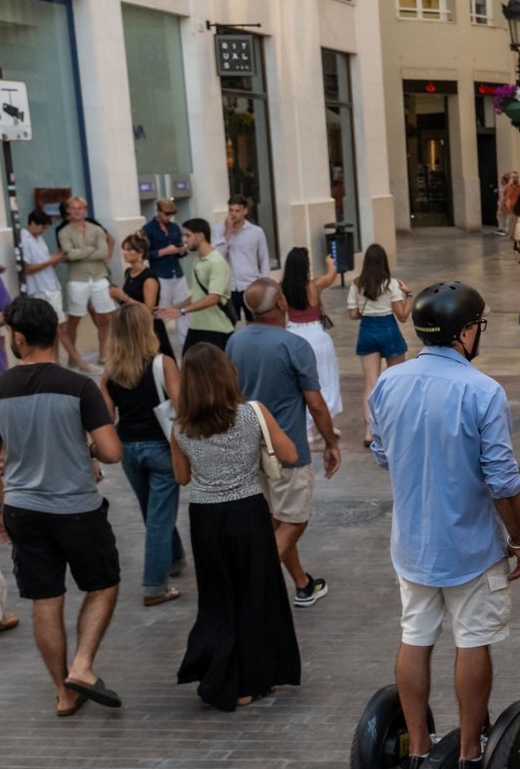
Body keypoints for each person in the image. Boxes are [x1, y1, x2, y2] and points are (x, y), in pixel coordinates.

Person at [370, 281, 520, 769]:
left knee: (414, 636)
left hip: (412, 543)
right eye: (478, 326)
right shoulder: (483, 391)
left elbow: (381, 454)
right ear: (464, 332)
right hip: (471, 545)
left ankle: (418, 749)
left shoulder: (388, 382)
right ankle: (467, 752)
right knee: (473, 641)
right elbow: (503, 480)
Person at [0, 297, 125, 716]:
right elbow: (112, 451)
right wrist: (87, 449)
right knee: (102, 585)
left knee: (45, 599)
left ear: (19, 338)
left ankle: (64, 695)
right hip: (77, 507)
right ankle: (82, 666)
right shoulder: (79, 387)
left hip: (22, 508)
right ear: (54, 334)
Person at [170, 344, 301, 709]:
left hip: (205, 517)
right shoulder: (252, 413)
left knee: (218, 598)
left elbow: (182, 477)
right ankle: (256, 677)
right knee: (255, 593)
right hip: (247, 511)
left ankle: (226, 678)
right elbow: (289, 454)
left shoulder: (180, 427)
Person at [227, 278, 343, 607]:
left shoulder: (234, 342)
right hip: (287, 448)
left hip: (248, 446)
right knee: (294, 520)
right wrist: (330, 443)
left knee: (274, 521)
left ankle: (303, 584)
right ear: (281, 304)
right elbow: (316, 403)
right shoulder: (294, 345)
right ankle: (248, 588)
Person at [100, 303, 185, 607]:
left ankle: (174, 557)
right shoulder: (163, 363)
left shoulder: (110, 371)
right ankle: (154, 587)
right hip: (161, 447)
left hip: (128, 448)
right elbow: (181, 407)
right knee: (159, 517)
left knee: (153, 512)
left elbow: (106, 416)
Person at [347, 244, 410, 448]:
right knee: (395, 382)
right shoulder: (391, 284)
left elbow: (353, 314)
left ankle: (369, 432)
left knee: (370, 384)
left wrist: (369, 309)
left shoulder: (357, 284)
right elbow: (402, 316)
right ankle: (396, 427)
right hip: (389, 330)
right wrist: (408, 295)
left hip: (367, 331)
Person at [278, 247, 343, 443]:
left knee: (298, 382)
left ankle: (306, 428)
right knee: (325, 379)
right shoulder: (314, 285)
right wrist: (330, 262)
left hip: (293, 334)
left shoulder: (281, 288)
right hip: (317, 335)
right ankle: (325, 422)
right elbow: (332, 275)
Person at [57, 196, 115, 370]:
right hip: (77, 278)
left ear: (85, 210)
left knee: (105, 316)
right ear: (68, 210)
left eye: (80, 208)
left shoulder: (96, 229)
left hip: (98, 276)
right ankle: (73, 356)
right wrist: (91, 249)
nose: (77, 211)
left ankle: (103, 353)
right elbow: (69, 255)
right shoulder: (64, 232)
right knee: (75, 318)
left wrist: (80, 253)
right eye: (73, 208)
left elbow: (103, 252)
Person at [161, 218, 235, 351]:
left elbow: (213, 297)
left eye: (188, 235)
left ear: (200, 236)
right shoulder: (197, 260)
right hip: (196, 328)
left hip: (217, 330)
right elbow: (197, 294)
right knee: (187, 362)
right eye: (183, 235)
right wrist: (175, 308)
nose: (184, 239)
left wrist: (182, 311)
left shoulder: (216, 262)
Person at [17, 212, 73, 364]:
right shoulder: (24, 239)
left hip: (51, 286)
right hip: (39, 290)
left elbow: (45, 263)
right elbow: (27, 268)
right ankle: (73, 360)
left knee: (59, 326)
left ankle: (56, 360)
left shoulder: (39, 239)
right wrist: (51, 261)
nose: (43, 231)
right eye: (42, 227)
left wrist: (57, 259)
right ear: (32, 223)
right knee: (53, 327)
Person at [110, 233, 175, 359]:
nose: (125, 253)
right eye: (124, 249)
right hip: (133, 326)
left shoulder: (149, 277)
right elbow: (128, 302)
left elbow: (148, 309)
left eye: (129, 249)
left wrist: (124, 297)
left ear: (140, 252)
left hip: (148, 328)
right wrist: (117, 297)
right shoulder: (128, 272)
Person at [212, 195, 270, 323]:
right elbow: (218, 256)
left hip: (250, 285)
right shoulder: (218, 231)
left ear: (245, 211)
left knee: (254, 322)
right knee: (230, 324)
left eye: (237, 211)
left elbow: (264, 259)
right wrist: (227, 231)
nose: (233, 214)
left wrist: (264, 284)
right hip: (229, 287)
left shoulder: (256, 232)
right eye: (231, 210)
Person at [142, 198, 190, 345]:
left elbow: (182, 248)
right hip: (160, 275)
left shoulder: (175, 227)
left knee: (183, 310)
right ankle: (160, 345)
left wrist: (181, 250)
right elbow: (144, 253)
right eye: (166, 214)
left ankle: (186, 344)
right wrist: (164, 251)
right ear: (158, 211)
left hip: (177, 273)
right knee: (160, 312)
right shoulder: (148, 229)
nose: (169, 217)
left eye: (171, 214)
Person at [498, 172, 520, 237]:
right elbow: (502, 198)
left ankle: (515, 237)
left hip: (518, 210)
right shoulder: (507, 187)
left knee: (518, 225)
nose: (515, 179)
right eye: (513, 177)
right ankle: (511, 237)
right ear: (510, 178)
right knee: (509, 224)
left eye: (516, 177)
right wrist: (499, 209)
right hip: (509, 209)